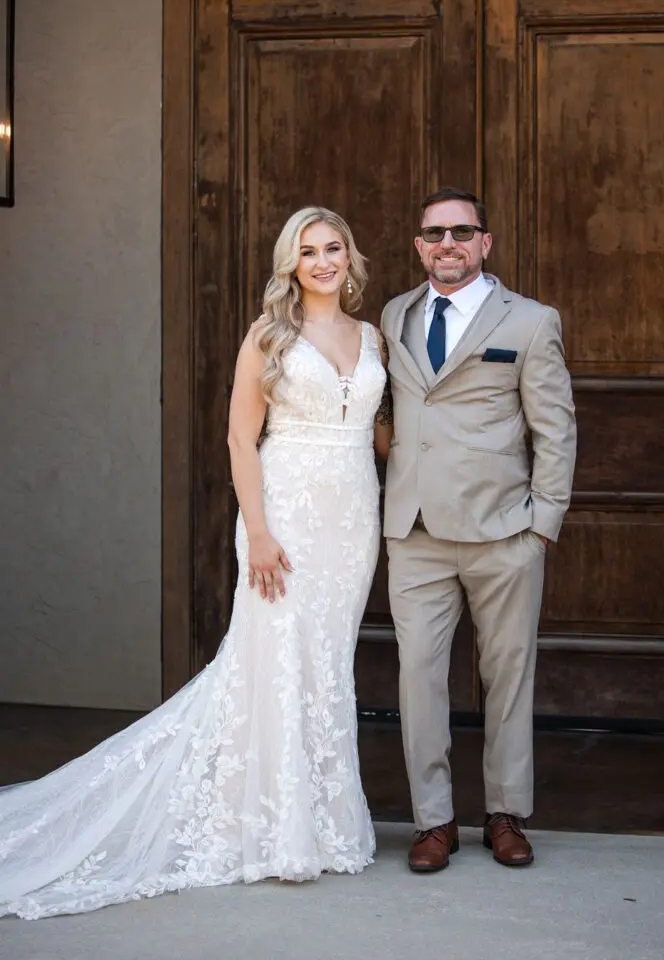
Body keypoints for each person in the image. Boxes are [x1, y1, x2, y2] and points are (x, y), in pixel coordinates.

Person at [0, 207, 392, 919]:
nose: (324, 261)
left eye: (334, 248)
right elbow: (241, 442)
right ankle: (267, 832)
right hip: (285, 516)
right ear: (291, 264)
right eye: (309, 252)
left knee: (326, 662)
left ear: (350, 256)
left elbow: (379, 429)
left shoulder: (373, 339)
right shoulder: (268, 336)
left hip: (352, 519)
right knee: (269, 661)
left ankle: (325, 825)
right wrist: (262, 533)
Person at [381, 187, 576, 873]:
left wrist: (542, 526)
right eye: (435, 233)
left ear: (485, 243)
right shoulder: (393, 315)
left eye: (463, 231)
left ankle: (505, 813)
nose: (448, 244)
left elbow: (556, 428)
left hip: (503, 534)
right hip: (415, 534)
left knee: (508, 678)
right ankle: (433, 820)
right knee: (419, 681)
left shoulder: (529, 321)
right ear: (420, 245)